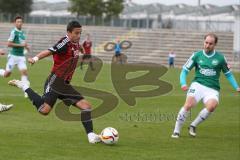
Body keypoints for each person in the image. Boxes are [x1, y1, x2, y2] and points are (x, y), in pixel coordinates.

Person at [8, 21, 101, 143]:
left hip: (65, 84)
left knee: (86, 106)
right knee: (44, 110)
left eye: (80, 33)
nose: (79, 36)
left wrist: (84, 53)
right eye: (76, 33)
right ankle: (24, 86)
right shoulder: (64, 42)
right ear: (69, 32)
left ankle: (91, 136)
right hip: (55, 81)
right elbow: (49, 51)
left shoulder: (76, 43)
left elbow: (80, 49)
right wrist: (35, 58)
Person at [171, 33, 240, 138]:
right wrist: (183, 83)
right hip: (197, 85)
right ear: (204, 42)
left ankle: (193, 125)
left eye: (210, 44)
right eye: (206, 42)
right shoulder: (197, 55)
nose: (207, 45)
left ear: (215, 44)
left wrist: (236, 87)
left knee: (212, 106)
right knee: (188, 104)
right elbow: (184, 71)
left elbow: (228, 74)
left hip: (212, 88)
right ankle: (176, 131)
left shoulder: (221, 58)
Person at [0, 16, 30, 98]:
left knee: (24, 72)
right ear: (15, 23)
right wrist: (21, 45)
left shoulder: (22, 33)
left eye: (21, 22)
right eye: (18, 22)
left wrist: (27, 47)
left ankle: (26, 91)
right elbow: (9, 44)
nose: (20, 23)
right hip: (13, 56)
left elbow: (24, 42)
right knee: (7, 74)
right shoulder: (14, 32)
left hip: (21, 57)